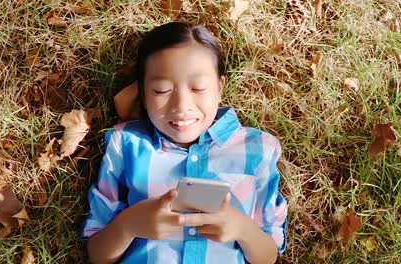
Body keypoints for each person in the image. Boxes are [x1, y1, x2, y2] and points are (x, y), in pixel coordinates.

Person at [81, 22, 288, 264]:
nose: (181, 106)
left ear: (220, 87)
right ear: (144, 95)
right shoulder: (125, 144)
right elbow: (97, 254)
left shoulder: (258, 149)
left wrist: (242, 229)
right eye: (161, 90)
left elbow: (268, 256)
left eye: (198, 87)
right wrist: (130, 224)